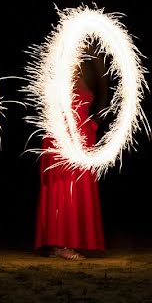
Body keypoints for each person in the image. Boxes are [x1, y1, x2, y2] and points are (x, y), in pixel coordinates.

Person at [34, 47, 108, 260]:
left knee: (77, 192)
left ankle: (71, 242)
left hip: (82, 141)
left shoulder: (80, 77)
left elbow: (94, 99)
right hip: (64, 141)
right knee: (64, 190)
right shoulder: (59, 81)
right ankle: (60, 245)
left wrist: (92, 125)